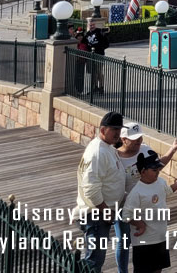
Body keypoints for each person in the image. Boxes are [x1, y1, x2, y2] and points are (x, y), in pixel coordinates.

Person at [113, 123, 177, 273]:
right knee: (124, 240)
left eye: (140, 138)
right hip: (123, 203)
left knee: (148, 239)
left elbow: (157, 165)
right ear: (124, 139)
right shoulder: (113, 156)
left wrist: (172, 149)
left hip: (146, 203)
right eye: (134, 139)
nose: (138, 141)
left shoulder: (145, 149)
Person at [124, 151, 177, 273]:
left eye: (158, 169)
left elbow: (167, 191)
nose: (157, 172)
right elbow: (126, 215)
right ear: (143, 171)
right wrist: (140, 224)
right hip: (144, 242)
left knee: (158, 269)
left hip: (160, 237)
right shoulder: (136, 193)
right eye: (154, 170)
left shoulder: (160, 182)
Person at [76, 111, 126, 273]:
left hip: (98, 213)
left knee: (94, 258)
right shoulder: (99, 152)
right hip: (96, 214)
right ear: (103, 130)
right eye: (114, 129)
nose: (118, 133)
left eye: (119, 129)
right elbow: (90, 187)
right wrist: (105, 211)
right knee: (94, 261)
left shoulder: (104, 147)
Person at [85, 19, 110, 92]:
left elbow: (107, 43)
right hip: (90, 56)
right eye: (90, 25)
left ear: (95, 25)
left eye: (93, 25)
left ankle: (101, 87)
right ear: (88, 26)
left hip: (99, 55)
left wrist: (101, 48)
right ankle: (95, 87)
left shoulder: (100, 32)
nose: (92, 26)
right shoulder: (87, 34)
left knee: (99, 72)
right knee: (93, 73)